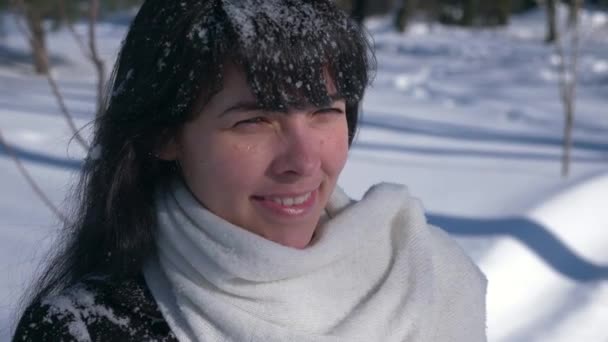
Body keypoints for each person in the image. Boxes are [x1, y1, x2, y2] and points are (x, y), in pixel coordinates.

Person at [12, 0, 487, 341]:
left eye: (325, 112)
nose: (303, 163)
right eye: (255, 120)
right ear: (164, 134)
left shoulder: (427, 276)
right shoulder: (87, 327)